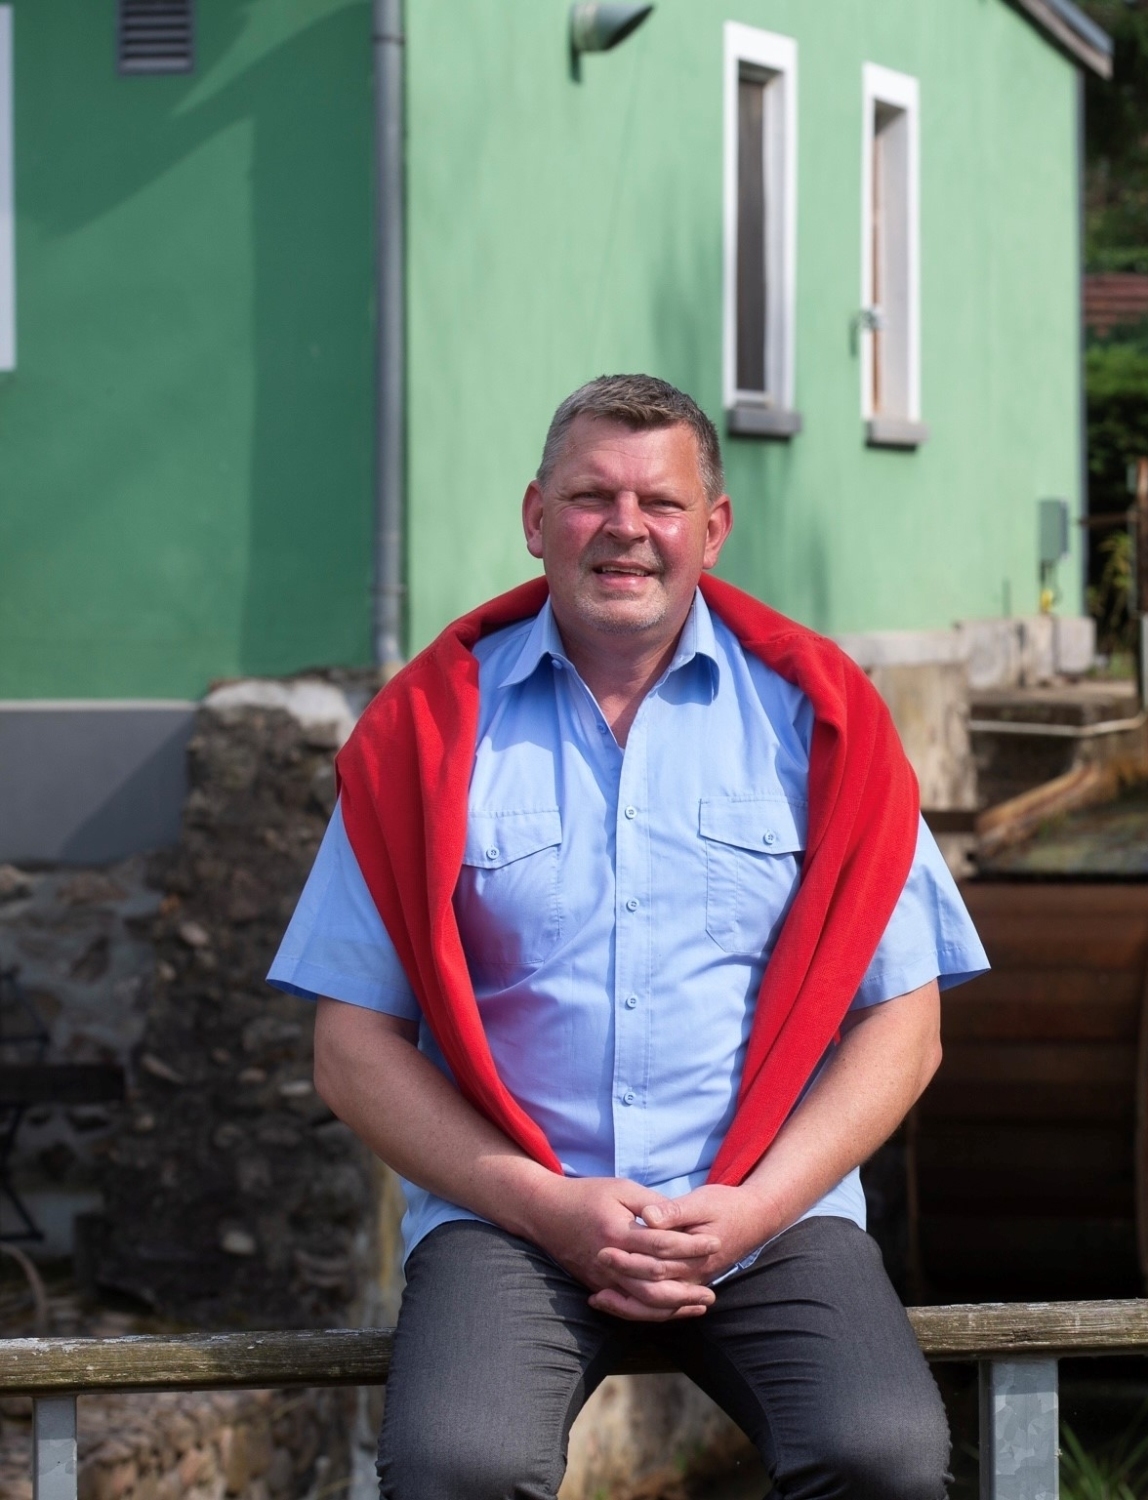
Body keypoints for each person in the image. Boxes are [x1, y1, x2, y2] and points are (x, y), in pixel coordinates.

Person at [269, 375, 988, 1500]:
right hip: (513, 1218)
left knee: (881, 1457)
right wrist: (544, 1206)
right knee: (457, 1467)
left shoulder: (822, 721)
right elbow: (351, 1049)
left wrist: (753, 1209)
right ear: (535, 517)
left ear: (714, 527)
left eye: (660, 502)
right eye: (589, 497)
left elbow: (905, 1024)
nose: (625, 528)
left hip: (769, 1219)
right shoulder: (426, 733)